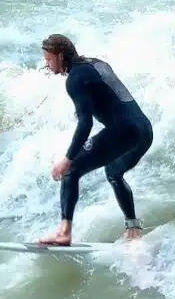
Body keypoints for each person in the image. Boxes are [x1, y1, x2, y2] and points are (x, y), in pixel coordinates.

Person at [37, 34, 153, 247]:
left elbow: (86, 123)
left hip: (124, 131)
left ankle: (64, 233)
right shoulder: (96, 63)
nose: (46, 64)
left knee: (71, 171)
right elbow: (109, 96)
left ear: (60, 56)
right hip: (144, 130)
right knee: (114, 172)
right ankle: (133, 228)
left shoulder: (75, 79)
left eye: (48, 59)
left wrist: (67, 158)